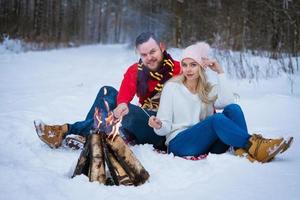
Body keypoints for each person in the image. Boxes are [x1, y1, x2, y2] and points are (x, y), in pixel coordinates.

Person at [148, 42, 293, 163]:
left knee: (233, 109)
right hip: (180, 144)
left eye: (193, 65)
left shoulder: (207, 88)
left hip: (206, 143)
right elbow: (164, 127)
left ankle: (241, 149)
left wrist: (220, 72)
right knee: (216, 120)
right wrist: (158, 125)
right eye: (185, 65)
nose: (188, 69)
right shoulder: (172, 88)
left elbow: (228, 101)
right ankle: (255, 146)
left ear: (201, 67)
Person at [35, 32, 181, 150]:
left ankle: (67, 130)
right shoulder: (136, 70)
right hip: (143, 118)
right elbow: (125, 92)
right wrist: (122, 103)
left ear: (161, 47)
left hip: (160, 127)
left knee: (128, 112)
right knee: (107, 92)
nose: (149, 58)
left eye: (152, 51)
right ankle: (90, 135)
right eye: (144, 55)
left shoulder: (179, 69)